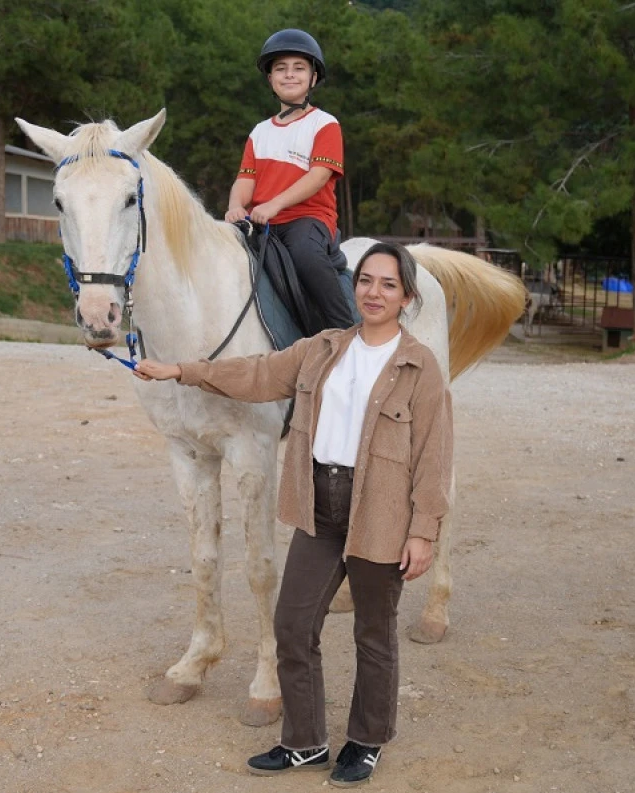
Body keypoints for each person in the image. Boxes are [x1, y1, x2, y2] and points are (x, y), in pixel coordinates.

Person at [135, 242, 452, 788]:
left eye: (388, 285)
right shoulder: (324, 347)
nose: (374, 293)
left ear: (407, 297)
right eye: (366, 281)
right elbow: (257, 374)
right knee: (292, 623)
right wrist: (181, 371)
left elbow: (434, 455)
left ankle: (366, 742)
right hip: (319, 504)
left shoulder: (419, 366)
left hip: (379, 509)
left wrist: (423, 532)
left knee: (374, 634)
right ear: (353, 288)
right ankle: (304, 742)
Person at [224, 28, 355, 332]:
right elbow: (245, 179)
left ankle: (345, 334)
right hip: (260, 222)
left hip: (307, 219)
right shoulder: (259, 132)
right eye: (280, 69)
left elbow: (319, 175)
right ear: (270, 79)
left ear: (313, 77)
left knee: (306, 256)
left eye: (299, 68)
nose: (289, 75)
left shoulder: (324, 124)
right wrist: (235, 205)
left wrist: (273, 205)